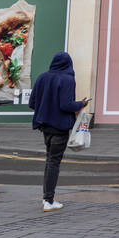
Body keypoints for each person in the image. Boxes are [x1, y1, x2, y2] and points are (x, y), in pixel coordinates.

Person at [28, 51, 87, 213]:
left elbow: (32, 103)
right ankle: (48, 200)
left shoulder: (42, 77)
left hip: (44, 126)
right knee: (53, 162)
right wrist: (81, 103)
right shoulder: (67, 79)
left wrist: (46, 107)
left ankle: (47, 197)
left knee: (50, 160)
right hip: (60, 127)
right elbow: (66, 105)